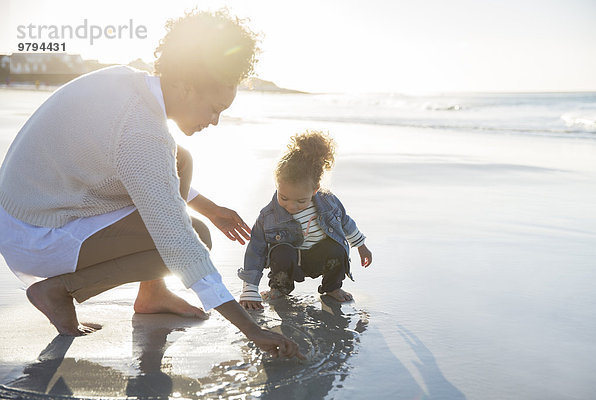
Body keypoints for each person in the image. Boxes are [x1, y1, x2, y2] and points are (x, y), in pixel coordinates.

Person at [0, 9, 303, 359]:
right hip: (36, 231)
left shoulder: (126, 81)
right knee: (196, 236)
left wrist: (211, 208)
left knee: (181, 158)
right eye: (215, 108)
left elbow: (148, 170)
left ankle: (152, 293)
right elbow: (178, 241)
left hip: (31, 207)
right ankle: (57, 289)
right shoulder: (142, 132)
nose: (215, 121)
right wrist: (251, 330)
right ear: (185, 87)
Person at [238, 131, 373, 310]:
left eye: (301, 201)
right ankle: (279, 288)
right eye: (284, 197)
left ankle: (332, 287)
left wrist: (361, 246)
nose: (292, 206)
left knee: (337, 249)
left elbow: (345, 222)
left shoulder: (328, 203)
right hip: (289, 261)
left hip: (319, 258)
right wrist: (250, 288)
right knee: (281, 251)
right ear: (277, 185)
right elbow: (255, 250)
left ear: (315, 189)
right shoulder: (268, 216)